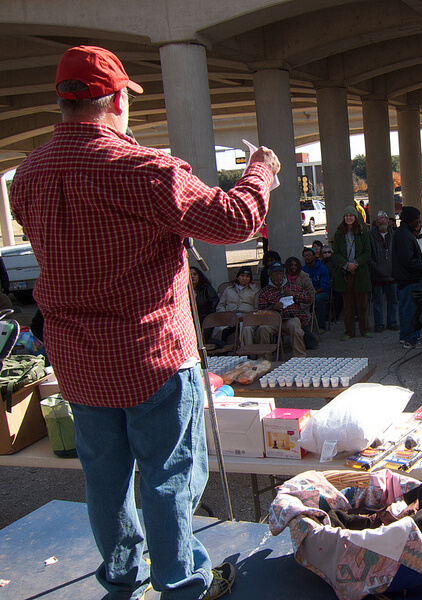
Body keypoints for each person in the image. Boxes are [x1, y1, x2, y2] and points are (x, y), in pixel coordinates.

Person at [9, 45, 280, 600]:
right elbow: (235, 221)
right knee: (168, 478)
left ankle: (121, 577)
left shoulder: (28, 176)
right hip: (151, 353)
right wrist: (262, 171)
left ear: (64, 101)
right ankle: (181, 584)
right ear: (113, 100)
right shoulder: (145, 170)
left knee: (104, 478)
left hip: (79, 361)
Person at [332, 206, 372, 340]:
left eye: (351, 215)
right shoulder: (339, 233)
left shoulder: (362, 232)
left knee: (362, 304)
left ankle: (365, 329)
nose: (348, 218)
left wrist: (356, 263)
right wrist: (346, 264)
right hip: (345, 273)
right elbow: (336, 253)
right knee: (348, 305)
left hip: (360, 272)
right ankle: (349, 331)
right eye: (346, 215)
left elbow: (367, 252)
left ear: (355, 217)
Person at [392, 206, 422, 348]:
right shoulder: (404, 235)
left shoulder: (403, 233)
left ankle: (405, 336)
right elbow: (407, 260)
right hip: (409, 279)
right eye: (417, 218)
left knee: (404, 308)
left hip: (405, 278)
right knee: (410, 310)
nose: (419, 220)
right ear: (410, 220)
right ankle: (410, 339)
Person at [256, 262, 310, 357]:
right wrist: (272, 307)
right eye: (275, 274)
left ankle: (300, 357)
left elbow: (308, 298)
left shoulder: (293, 286)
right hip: (273, 321)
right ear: (271, 275)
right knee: (262, 329)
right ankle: (265, 359)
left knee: (295, 326)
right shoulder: (265, 291)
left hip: (290, 317)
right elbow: (261, 309)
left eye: (280, 273)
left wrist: (295, 295)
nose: (278, 276)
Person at [368, 210, 398, 333]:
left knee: (393, 301)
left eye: (383, 218)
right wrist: (376, 267)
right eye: (378, 218)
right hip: (377, 274)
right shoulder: (370, 235)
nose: (381, 220)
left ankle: (392, 322)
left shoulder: (394, 234)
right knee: (378, 301)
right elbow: (368, 255)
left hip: (392, 274)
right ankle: (379, 324)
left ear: (387, 220)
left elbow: (398, 253)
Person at [302, 247, 330, 333]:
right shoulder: (303, 270)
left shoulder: (322, 268)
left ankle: (321, 326)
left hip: (322, 292)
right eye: (305, 256)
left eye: (309, 255)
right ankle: (304, 327)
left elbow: (325, 286)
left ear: (314, 256)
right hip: (307, 293)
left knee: (318, 299)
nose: (307, 257)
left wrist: (315, 292)